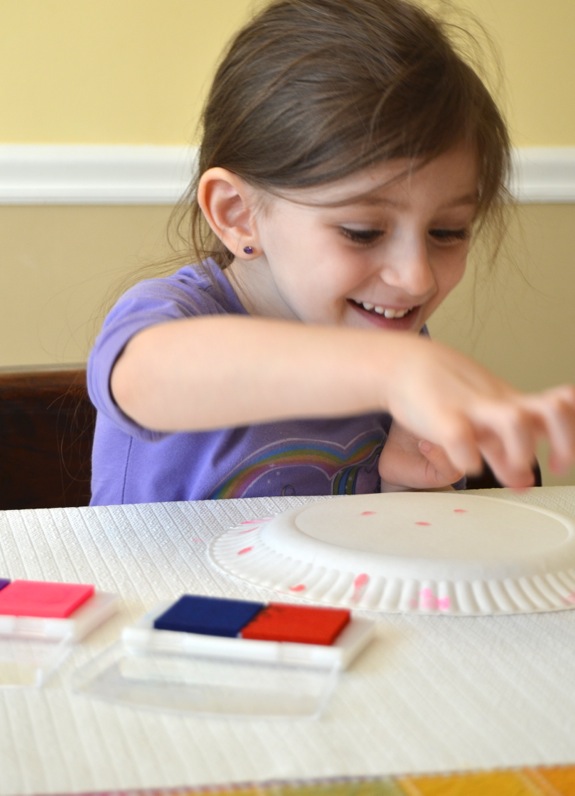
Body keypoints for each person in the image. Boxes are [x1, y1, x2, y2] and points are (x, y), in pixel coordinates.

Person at [88, 0, 575, 505]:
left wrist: (406, 485)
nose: (416, 278)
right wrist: (390, 371)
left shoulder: (392, 342)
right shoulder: (172, 318)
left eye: (448, 231)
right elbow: (148, 381)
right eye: (362, 232)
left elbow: (365, 549)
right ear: (238, 214)